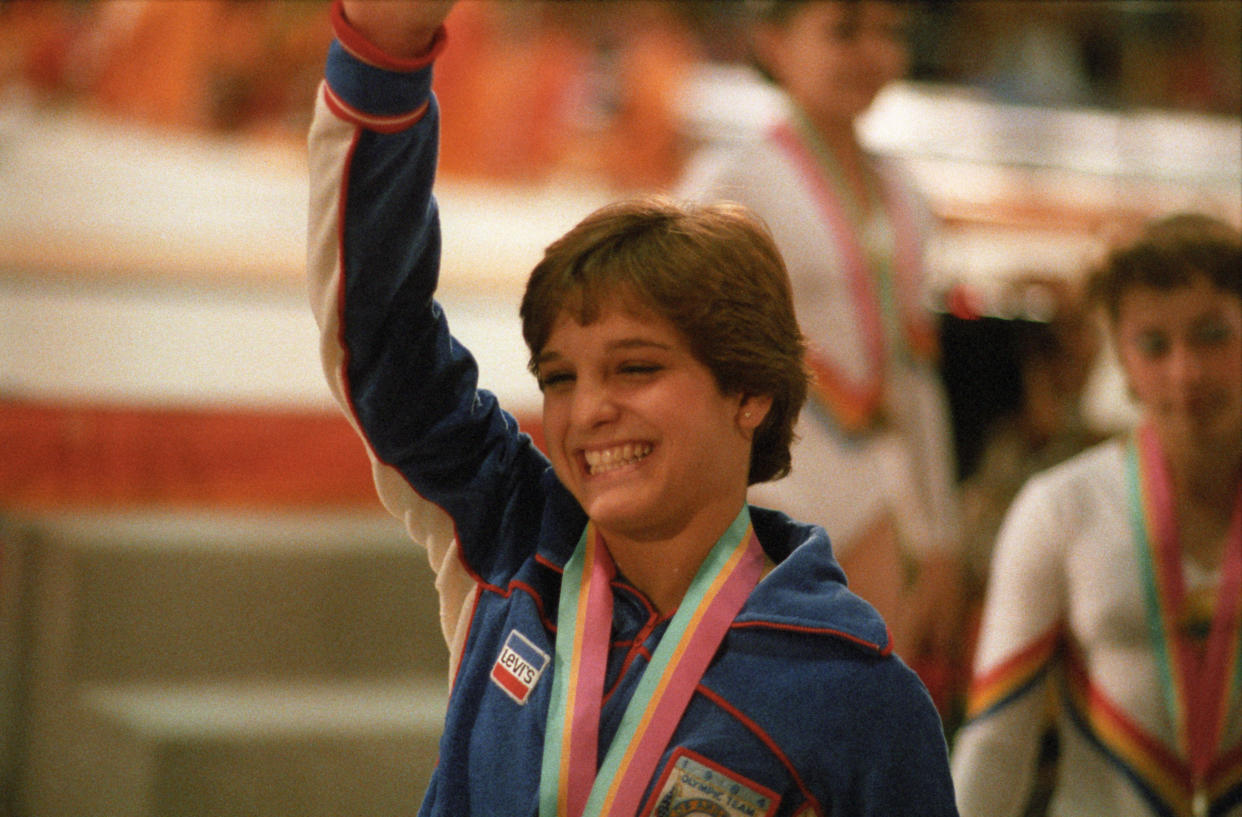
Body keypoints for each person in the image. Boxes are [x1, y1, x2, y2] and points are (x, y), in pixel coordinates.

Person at [308, 2, 957, 815]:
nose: (591, 412)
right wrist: (385, 51)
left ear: (749, 390)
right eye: (560, 378)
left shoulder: (852, 692)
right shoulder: (512, 548)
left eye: (637, 369)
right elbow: (381, 340)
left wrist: (939, 529)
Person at [679, 0, 964, 681]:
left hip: (883, 502)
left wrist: (943, 535)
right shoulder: (728, 184)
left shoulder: (907, 192)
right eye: (842, 31)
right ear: (773, 41)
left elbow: (917, 378)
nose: (869, 52)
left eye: (888, 31)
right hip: (768, 500)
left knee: (865, 732)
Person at [950, 213, 1242, 817]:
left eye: (1212, 335)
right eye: (1153, 344)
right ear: (1120, 354)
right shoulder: (1059, 510)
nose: (1184, 371)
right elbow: (997, 743)